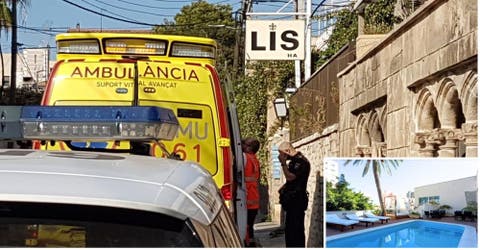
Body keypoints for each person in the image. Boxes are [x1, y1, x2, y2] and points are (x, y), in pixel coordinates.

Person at [277, 141, 310, 247]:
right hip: (292, 202)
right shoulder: (293, 161)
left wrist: (283, 164)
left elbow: (290, 177)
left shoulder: (301, 162)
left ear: (287, 151)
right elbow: (292, 181)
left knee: (296, 231)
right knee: (290, 231)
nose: (280, 156)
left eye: (281, 154)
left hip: (297, 201)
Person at [241, 137, 261, 247]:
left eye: (244, 144)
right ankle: (251, 243)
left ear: (249, 148)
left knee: (246, 228)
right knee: (249, 226)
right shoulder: (255, 159)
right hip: (253, 199)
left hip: (246, 198)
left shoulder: (244, 157)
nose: (242, 145)